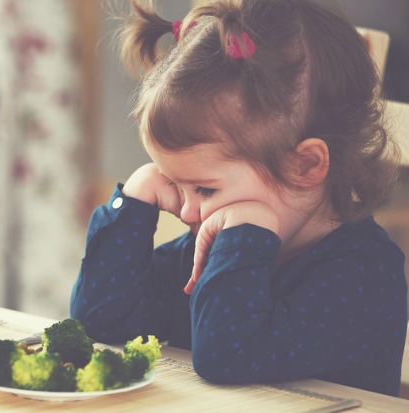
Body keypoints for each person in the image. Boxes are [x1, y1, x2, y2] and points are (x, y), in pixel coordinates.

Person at [70, 0, 407, 396]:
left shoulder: (362, 275)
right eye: (174, 183)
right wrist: (134, 202)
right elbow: (99, 326)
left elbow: (226, 357)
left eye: (205, 189)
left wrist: (246, 238)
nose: (184, 210)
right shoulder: (208, 244)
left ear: (305, 166)